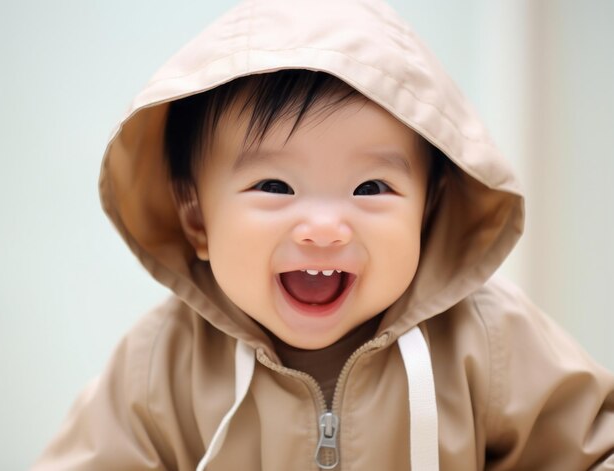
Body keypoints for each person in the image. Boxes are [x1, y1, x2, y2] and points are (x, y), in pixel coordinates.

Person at [32, 0, 614, 469]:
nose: (325, 228)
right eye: (275, 186)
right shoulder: (163, 364)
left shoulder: (486, 338)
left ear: (429, 212)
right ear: (197, 221)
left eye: (371, 189)